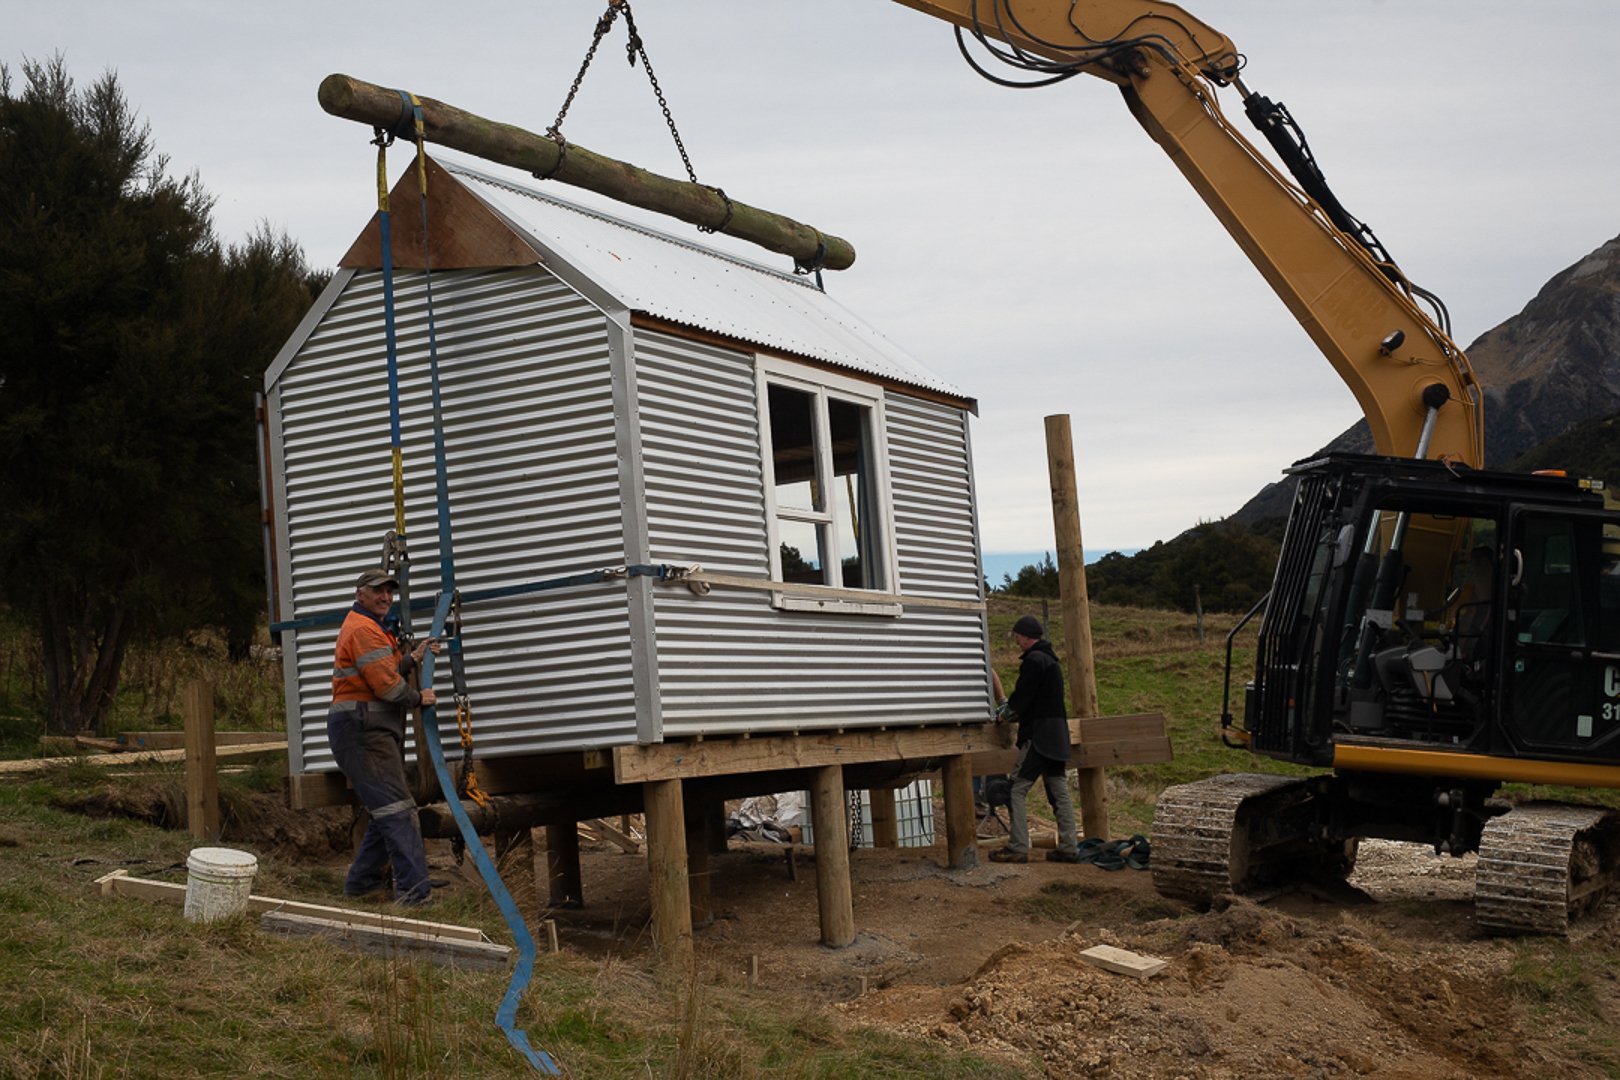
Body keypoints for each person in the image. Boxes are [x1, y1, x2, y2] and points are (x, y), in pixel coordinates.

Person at [328, 568, 438, 905]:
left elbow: (382, 671)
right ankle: (414, 897)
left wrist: (412, 658)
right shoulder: (364, 629)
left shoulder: (370, 627)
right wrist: (419, 698)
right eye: (378, 591)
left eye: (389, 592)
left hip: (364, 730)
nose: (385, 597)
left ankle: (362, 886)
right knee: (399, 811)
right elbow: (387, 687)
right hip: (363, 732)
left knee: (387, 809)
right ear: (360, 594)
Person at [989, 615, 1081, 864]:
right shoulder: (1051, 661)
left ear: (1027, 637)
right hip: (1058, 735)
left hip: (1039, 736)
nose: (1016, 641)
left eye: (1018, 636)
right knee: (1059, 791)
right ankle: (1069, 847)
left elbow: (1022, 698)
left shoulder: (1033, 661)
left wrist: (1003, 716)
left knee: (1016, 790)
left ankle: (1017, 847)